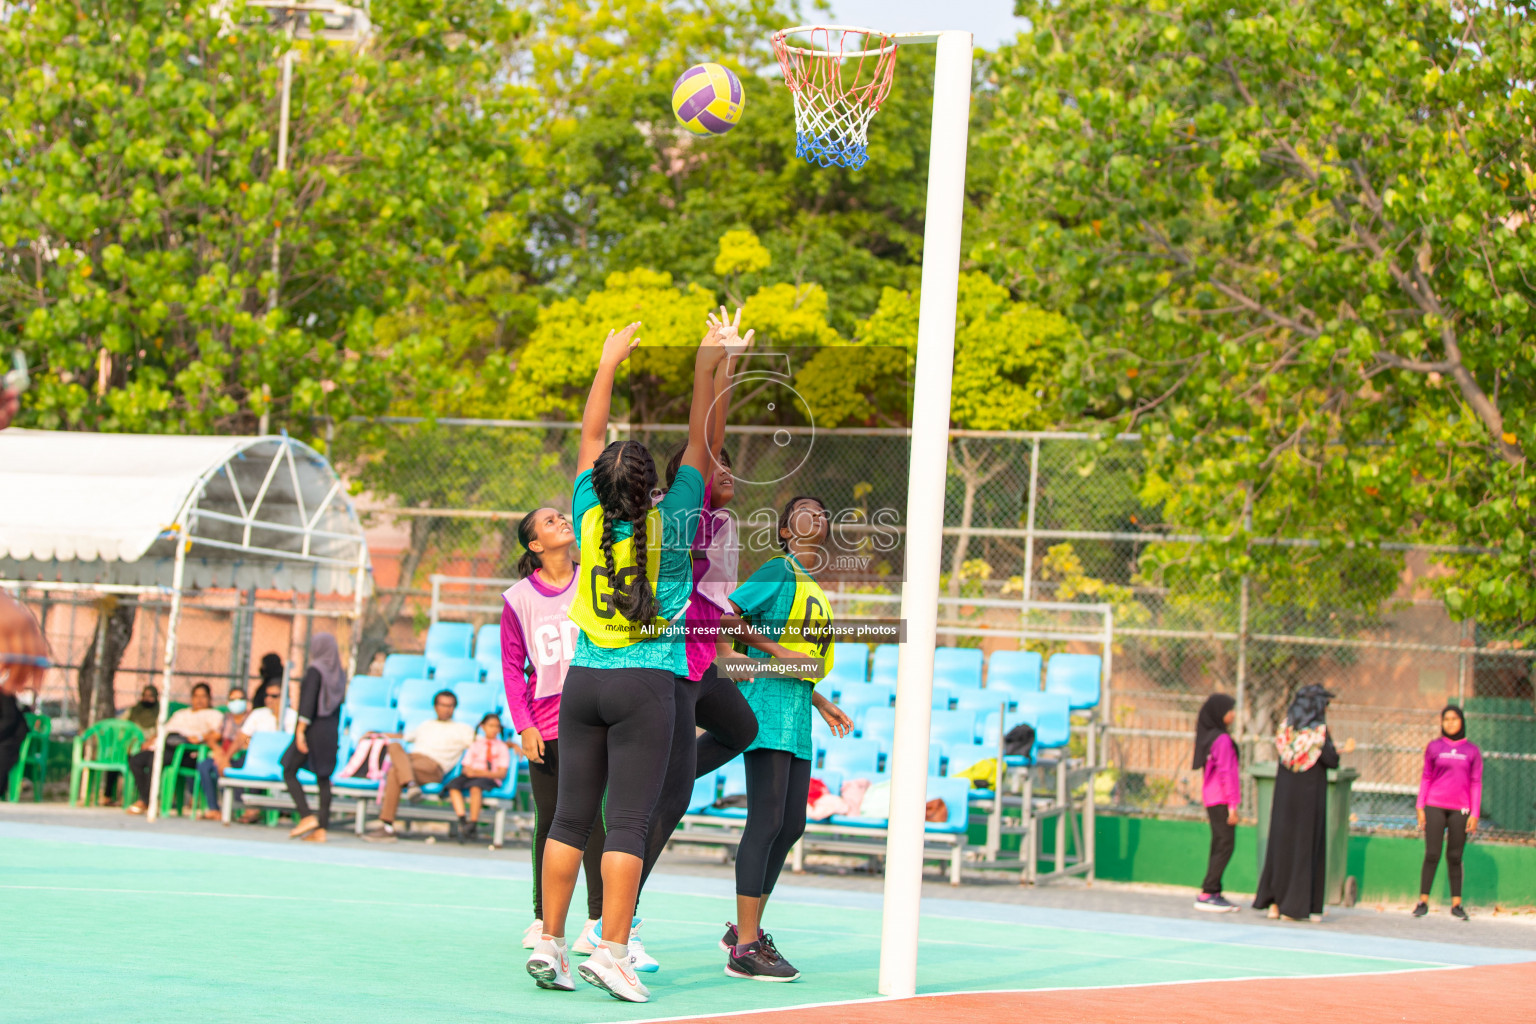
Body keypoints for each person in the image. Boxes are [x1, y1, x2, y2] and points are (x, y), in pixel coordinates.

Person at [525, 316, 726, 1004]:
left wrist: (607, 361)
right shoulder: (674, 521)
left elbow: (590, 435)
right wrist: (710, 364)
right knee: (631, 824)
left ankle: (549, 944)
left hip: (583, 683)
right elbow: (702, 441)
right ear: (650, 488)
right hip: (644, 684)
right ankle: (612, 952)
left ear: (603, 486)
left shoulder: (585, 514)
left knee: (570, 820)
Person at [624, 328, 762, 972]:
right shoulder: (687, 502)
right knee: (668, 801)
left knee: (740, 726)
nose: (725, 470)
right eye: (716, 464)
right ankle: (619, 918)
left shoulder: (719, 516)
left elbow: (712, 440)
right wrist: (714, 368)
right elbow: (705, 439)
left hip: (700, 657)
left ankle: (657, 785)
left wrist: (729, 365)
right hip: (673, 659)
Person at [715, 494, 852, 982]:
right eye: (804, 511)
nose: (817, 514)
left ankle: (744, 930)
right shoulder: (778, 569)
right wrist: (773, 654)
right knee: (767, 819)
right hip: (767, 706)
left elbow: (803, 659)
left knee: (792, 824)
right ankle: (746, 947)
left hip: (797, 712)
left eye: (823, 510)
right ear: (787, 531)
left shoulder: (813, 587)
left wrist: (820, 699)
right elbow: (728, 617)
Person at [501, 506, 608, 952]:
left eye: (563, 516)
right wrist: (523, 725)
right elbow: (511, 668)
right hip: (545, 724)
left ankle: (598, 920)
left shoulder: (594, 578)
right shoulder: (518, 598)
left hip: (592, 714)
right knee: (551, 822)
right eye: (549, 521)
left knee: (597, 823)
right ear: (535, 545)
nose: (563, 520)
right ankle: (543, 916)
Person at [1253, 684, 1353, 922]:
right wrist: (1339, 751)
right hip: (1309, 799)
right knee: (1306, 847)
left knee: (1281, 846)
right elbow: (1331, 760)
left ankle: (1275, 904)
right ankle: (1298, 907)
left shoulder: (1285, 731)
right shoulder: (1319, 734)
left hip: (1284, 800)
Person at [364, 689, 475, 842]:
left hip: (433, 767)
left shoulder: (463, 729)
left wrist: (510, 744)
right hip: (412, 761)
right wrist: (376, 733)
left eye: (450, 706)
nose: (446, 709)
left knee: (395, 771)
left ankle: (387, 826)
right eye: (443, 705)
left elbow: (481, 744)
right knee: (395, 746)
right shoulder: (426, 725)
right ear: (435, 706)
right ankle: (411, 784)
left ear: (454, 708)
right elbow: (402, 737)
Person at [1414, 704, 1483, 920]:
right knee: (1432, 853)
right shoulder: (1434, 747)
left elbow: (1476, 782)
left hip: (1460, 809)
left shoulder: (1472, 751)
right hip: (1434, 805)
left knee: (1454, 856)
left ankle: (1456, 905)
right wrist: (1420, 806)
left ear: (1462, 721)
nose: (1450, 723)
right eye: (1446, 719)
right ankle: (1423, 901)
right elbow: (1426, 776)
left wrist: (1474, 813)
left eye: (1454, 719)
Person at [280, 633, 347, 842]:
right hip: (330, 729)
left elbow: (308, 704)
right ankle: (321, 829)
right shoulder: (339, 674)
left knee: (289, 768)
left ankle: (306, 815)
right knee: (323, 778)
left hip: (313, 728)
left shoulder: (315, 671)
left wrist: (300, 731)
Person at [125, 682, 223, 815]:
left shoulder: (214, 714)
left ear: (210, 698)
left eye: (203, 696)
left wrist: (200, 737)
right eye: (196, 696)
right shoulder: (181, 714)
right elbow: (164, 730)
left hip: (186, 752)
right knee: (136, 760)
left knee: (155, 760)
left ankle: (146, 801)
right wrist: (151, 741)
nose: (199, 700)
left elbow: (216, 734)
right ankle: (147, 799)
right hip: (165, 745)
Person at [1192, 693, 1240, 912]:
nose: (1233, 714)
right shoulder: (1221, 739)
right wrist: (1233, 806)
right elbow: (1227, 773)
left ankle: (1213, 890)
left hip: (1212, 797)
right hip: (1221, 799)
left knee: (1219, 843)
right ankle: (1209, 891)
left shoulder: (1210, 737)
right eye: (1230, 710)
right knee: (1225, 844)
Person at [445, 712, 512, 843]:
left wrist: (480, 773)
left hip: (488, 778)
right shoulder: (476, 745)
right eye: (490, 726)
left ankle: (473, 822)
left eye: (496, 726)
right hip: (472, 775)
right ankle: (463, 821)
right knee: (453, 786)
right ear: (482, 726)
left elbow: (501, 773)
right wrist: (472, 772)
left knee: (476, 787)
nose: (494, 729)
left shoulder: (502, 747)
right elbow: (466, 767)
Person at [194, 687, 250, 820]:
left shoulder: (251, 718)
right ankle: (213, 808)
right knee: (205, 766)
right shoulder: (226, 718)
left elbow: (246, 741)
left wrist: (226, 758)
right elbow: (213, 737)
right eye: (233, 699)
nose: (236, 702)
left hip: (241, 756)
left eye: (240, 699)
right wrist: (217, 750)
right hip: (223, 756)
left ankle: (235, 808)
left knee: (231, 767)